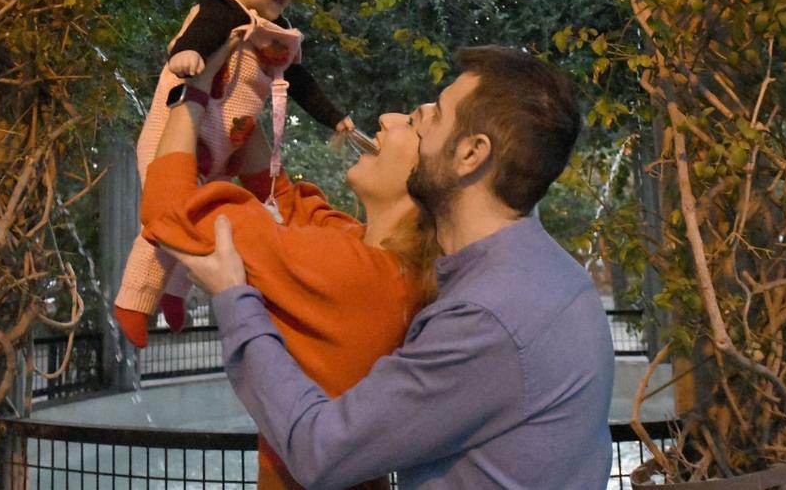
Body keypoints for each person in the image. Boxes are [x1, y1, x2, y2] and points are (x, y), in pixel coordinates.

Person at [165, 46, 616, 489]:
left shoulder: (485, 318)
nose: (410, 116)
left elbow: (321, 452)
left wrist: (233, 300)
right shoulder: (551, 276)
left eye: (436, 114)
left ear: (472, 154)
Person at [131, 36, 439, 489]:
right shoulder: (379, 259)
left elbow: (170, 209)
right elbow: (285, 203)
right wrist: (240, 101)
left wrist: (192, 94)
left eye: (412, 124)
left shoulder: (352, 270)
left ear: (429, 179)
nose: (388, 118)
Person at [115, 0, 354, 346]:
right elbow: (198, 36)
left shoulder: (275, 32)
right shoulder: (219, 11)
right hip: (175, 138)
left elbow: (299, 80)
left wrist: (332, 115)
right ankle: (133, 301)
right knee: (164, 223)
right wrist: (188, 55)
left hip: (226, 142)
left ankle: (174, 291)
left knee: (204, 223)